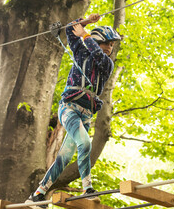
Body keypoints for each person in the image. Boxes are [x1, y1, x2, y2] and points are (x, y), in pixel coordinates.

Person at [26, 13, 121, 205]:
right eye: (108, 43)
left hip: (85, 114)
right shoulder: (81, 51)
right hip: (69, 107)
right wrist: (86, 23)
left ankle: (37, 194)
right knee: (85, 144)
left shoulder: (107, 63)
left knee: (64, 156)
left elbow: (97, 54)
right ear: (97, 41)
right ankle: (88, 188)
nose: (110, 48)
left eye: (112, 45)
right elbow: (70, 29)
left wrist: (85, 34)